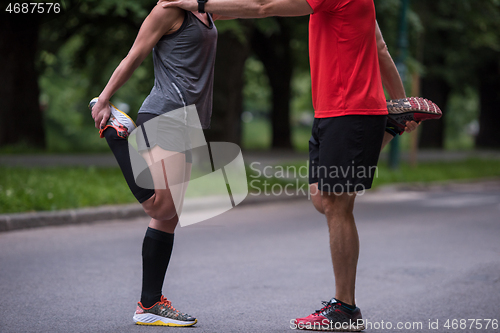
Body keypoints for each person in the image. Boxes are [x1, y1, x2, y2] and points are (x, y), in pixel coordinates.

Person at [158, 0, 417, 330]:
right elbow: (378, 45)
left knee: (338, 204)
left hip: (351, 111)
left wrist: (200, 3)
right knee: (322, 200)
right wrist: (400, 103)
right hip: (329, 111)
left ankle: (345, 309)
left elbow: (265, 6)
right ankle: (389, 125)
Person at [90, 3, 226, 327]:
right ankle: (117, 135)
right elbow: (135, 54)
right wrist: (105, 97)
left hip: (188, 120)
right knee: (161, 208)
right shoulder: (167, 9)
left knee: (171, 216)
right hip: (166, 113)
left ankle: (149, 303)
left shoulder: (205, 10)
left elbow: (257, 7)